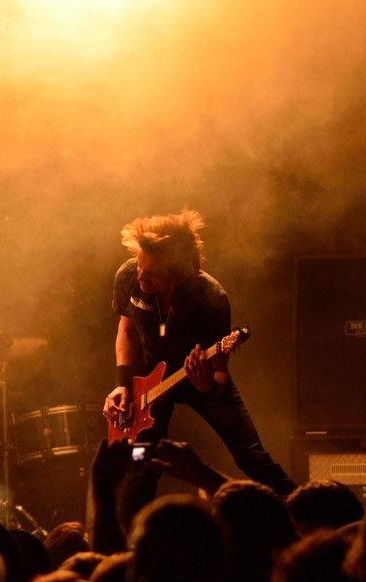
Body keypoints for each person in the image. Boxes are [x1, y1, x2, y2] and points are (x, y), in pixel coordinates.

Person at [102, 210, 294, 527]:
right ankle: (126, 552)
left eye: (151, 271)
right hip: (150, 386)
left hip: (199, 378)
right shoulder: (128, 277)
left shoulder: (211, 298)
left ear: (177, 271)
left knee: (252, 458)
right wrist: (123, 384)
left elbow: (218, 373)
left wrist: (206, 385)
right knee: (140, 463)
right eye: (139, 264)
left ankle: (309, 516)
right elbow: (127, 330)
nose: (139, 275)